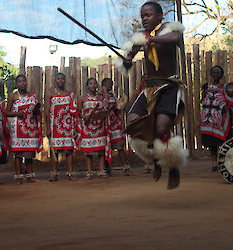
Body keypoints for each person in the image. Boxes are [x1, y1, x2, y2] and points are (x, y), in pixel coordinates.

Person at [117, 1, 187, 189]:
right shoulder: (142, 36)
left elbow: (175, 38)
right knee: (133, 121)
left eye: (148, 15)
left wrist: (149, 39)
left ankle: (173, 168)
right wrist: (127, 60)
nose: (144, 19)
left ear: (159, 16)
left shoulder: (169, 29)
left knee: (162, 127)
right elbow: (128, 58)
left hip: (168, 86)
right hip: (148, 87)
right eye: (142, 16)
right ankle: (156, 158)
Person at [6, 75, 42, 184]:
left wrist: (36, 110)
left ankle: (30, 176)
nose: (22, 83)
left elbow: (36, 110)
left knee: (29, 153)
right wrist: (17, 113)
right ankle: (19, 176)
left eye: (24, 81)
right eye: (19, 81)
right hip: (18, 128)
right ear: (17, 84)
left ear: (27, 82)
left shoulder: (32, 95)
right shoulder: (13, 97)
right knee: (18, 153)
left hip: (30, 127)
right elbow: (6, 112)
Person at [201, 66, 233, 172]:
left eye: (218, 72)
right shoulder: (206, 86)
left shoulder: (226, 88)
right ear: (211, 74)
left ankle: (224, 163)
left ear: (222, 75)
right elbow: (203, 101)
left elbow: (230, 103)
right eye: (214, 72)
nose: (216, 74)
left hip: (220, 119)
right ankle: (214, 164)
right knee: (212, 144)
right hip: (208, 119)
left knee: (223, 142)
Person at [45, 73, 79, 181]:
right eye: (58, 79)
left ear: (65, 81)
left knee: (68, 150)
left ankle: (70, 173)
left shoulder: (70, 94)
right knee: (54, 150)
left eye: (62, 79)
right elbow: (46, 112)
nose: (60, 81)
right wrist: (47, 128)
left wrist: (74, 127)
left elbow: (73, 112)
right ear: (55, 81)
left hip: (67, 125)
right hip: (54, 126)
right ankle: (54, 173)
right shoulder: (50, 94)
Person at [78, 78, 109, 180]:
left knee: (100, 151)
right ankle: (89, 172)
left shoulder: (101, 97)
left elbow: (106, 110)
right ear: (87, 86)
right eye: (90, 83)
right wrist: (84, 117)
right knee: (88, 152)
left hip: (99, 126)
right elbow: (77, 112)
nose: (93, 85)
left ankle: (101, 171)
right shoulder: (82, 98)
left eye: (95, 83)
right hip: (88, 127)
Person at [101, 78, 132, 176]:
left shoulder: (113, 96)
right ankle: (107, 168)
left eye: (111, 84)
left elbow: (118, 110)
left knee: (119, 146)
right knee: (106, 147)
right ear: (102, 85)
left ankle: (125, 167)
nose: (109, 85)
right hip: (104, 125)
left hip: (115, 124)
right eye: (107, 84)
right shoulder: (99, 97)